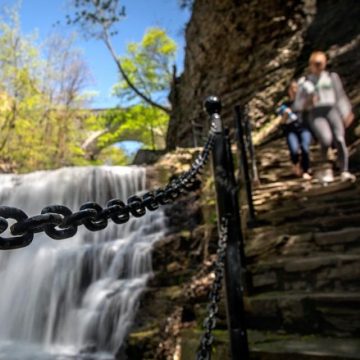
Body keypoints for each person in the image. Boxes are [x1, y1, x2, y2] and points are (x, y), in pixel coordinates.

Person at [294, 51, 355, 183]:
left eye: (321, 64)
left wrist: (346, 112)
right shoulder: (305, 82)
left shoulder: (332, 77)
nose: (319, 67)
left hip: (332, 110)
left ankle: (344, 170)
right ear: (310, 65)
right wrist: (307, 102)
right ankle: (325, 169)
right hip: (315, 113)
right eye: (316, 64)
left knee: (339, 139)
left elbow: (340, 96)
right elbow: (297, 104)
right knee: (326, 139)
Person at [278, 80, 312, 180]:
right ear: (289, 91)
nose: (295, 91)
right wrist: (285, 114)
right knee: (294, 150)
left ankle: (305, 170)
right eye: (292, 89)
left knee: (305, 148)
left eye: (296, 88)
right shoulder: (285, 105)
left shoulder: (303, 102)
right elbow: (282, 122)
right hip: (291, 129)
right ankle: (296, 164)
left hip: (304, 127)